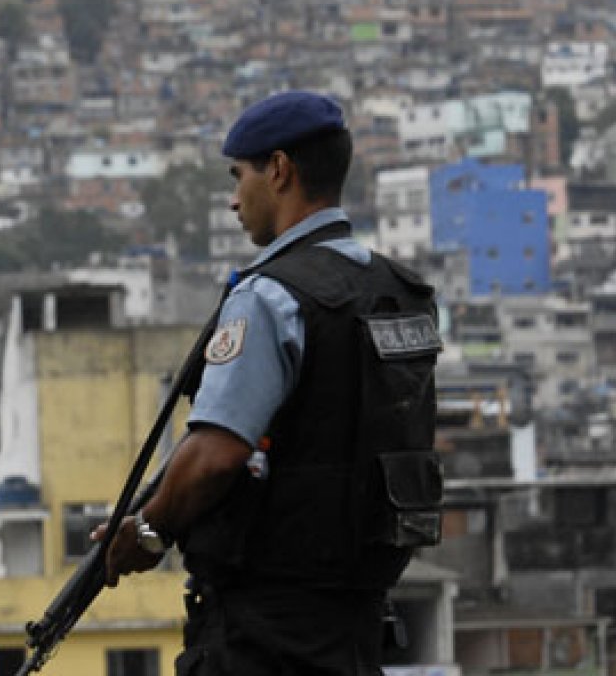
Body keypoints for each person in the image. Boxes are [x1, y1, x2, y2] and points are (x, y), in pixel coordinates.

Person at [101, 91, 443, 675]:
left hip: (264, 636)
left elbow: (214, 454)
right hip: (356, 631)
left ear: (279, 170)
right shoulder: (394, 292)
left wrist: (150, 530)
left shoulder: (270, 298)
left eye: (239, 177)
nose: (234, 200)